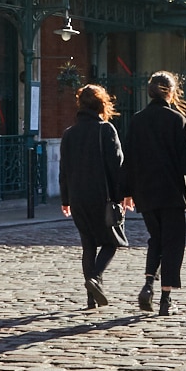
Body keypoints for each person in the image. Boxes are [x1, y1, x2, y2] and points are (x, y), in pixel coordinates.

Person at [121, 70, 186, 317]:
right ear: (171, 92)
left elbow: (128, 159)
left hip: (145, 192)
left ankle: (148, 283)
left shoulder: (137, 120)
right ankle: (165, 299)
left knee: (155, 240)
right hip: (171, 193)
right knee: (172, 244)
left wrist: (126, 191)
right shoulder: (176, 120)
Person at [59, 84, 127, 309]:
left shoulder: (69, 133)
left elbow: (64, 169)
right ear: (101, 104)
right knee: (111, 242)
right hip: (101, 197)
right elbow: (116, 166)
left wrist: (65, 200)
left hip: (78, 198)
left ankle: (91, 299)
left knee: (88, 246)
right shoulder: (105, 129)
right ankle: (95, 278)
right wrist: (121, 195)